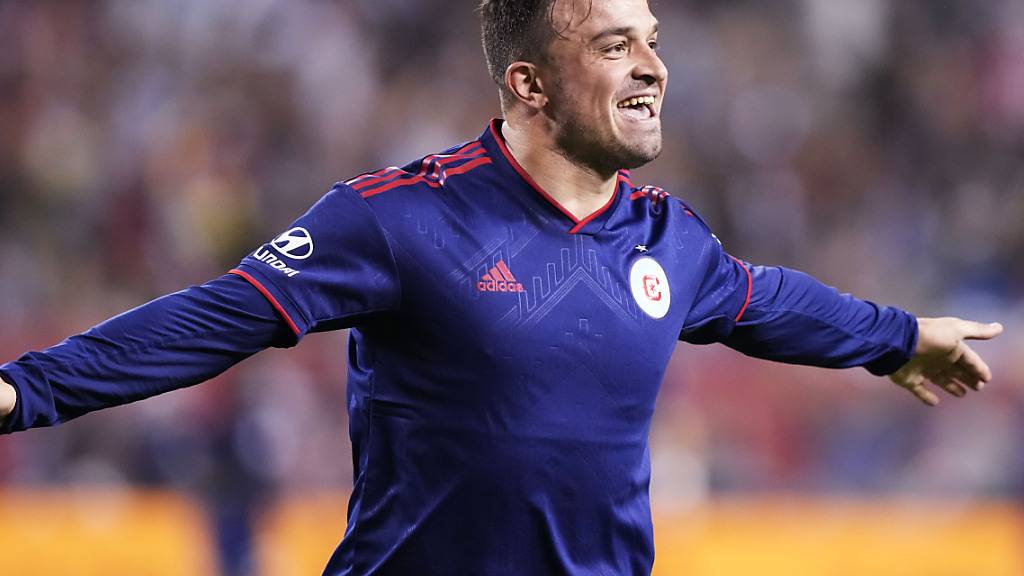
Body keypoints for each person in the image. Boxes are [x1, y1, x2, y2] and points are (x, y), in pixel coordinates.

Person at [0, 0, 1005, 574]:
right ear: (528, 83)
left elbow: (767, 301)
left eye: (653, 40)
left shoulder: (671, 240)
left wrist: (897, 336)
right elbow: (218, 318)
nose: (652, 67)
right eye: (613, 45)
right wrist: (25, 389)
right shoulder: (398, 218)